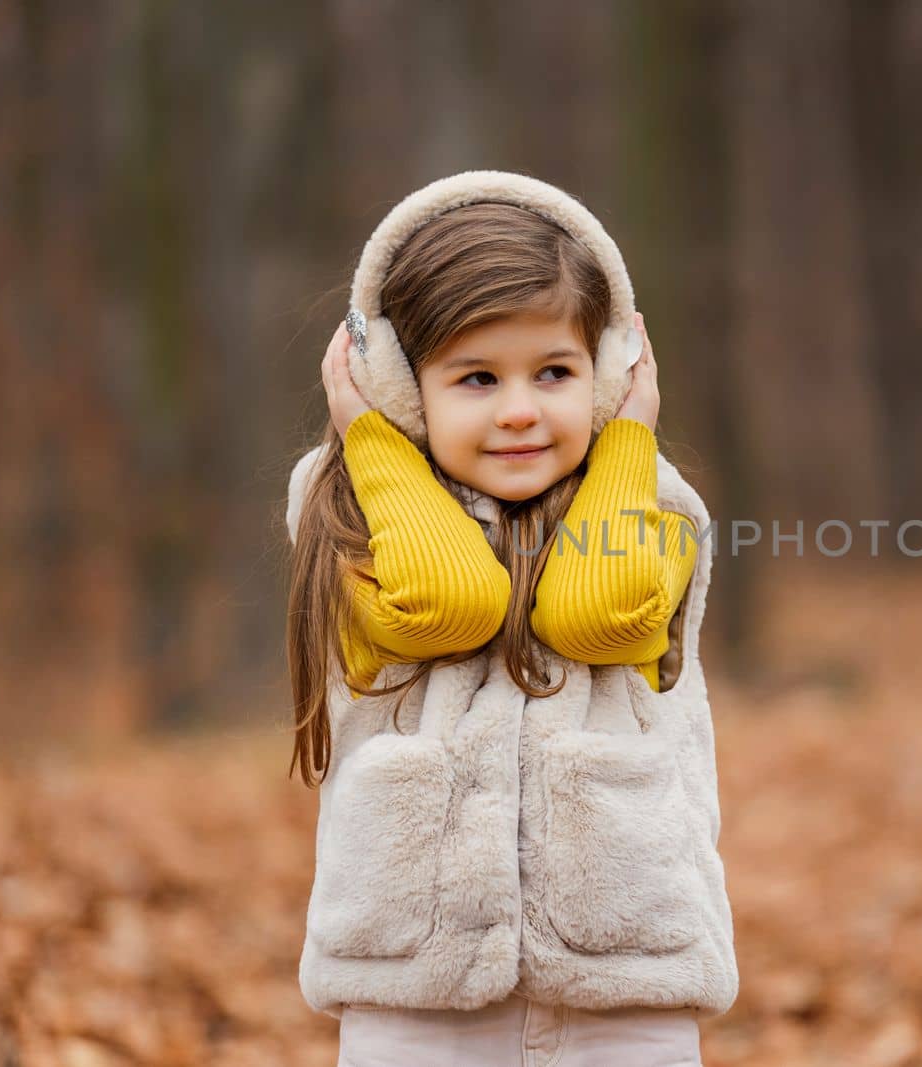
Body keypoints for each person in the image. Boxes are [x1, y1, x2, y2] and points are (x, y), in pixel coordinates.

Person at [282, 171, 737, 1066]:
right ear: (400, 388)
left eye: (557, 373)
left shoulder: (658, 509)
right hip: (414, 989)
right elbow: (444, 606)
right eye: (478, 377)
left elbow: (595, 616)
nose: (522, 410)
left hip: (625, 984)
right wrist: (373, 441)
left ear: (609, 376)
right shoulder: (346, 510)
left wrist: (627, 439)